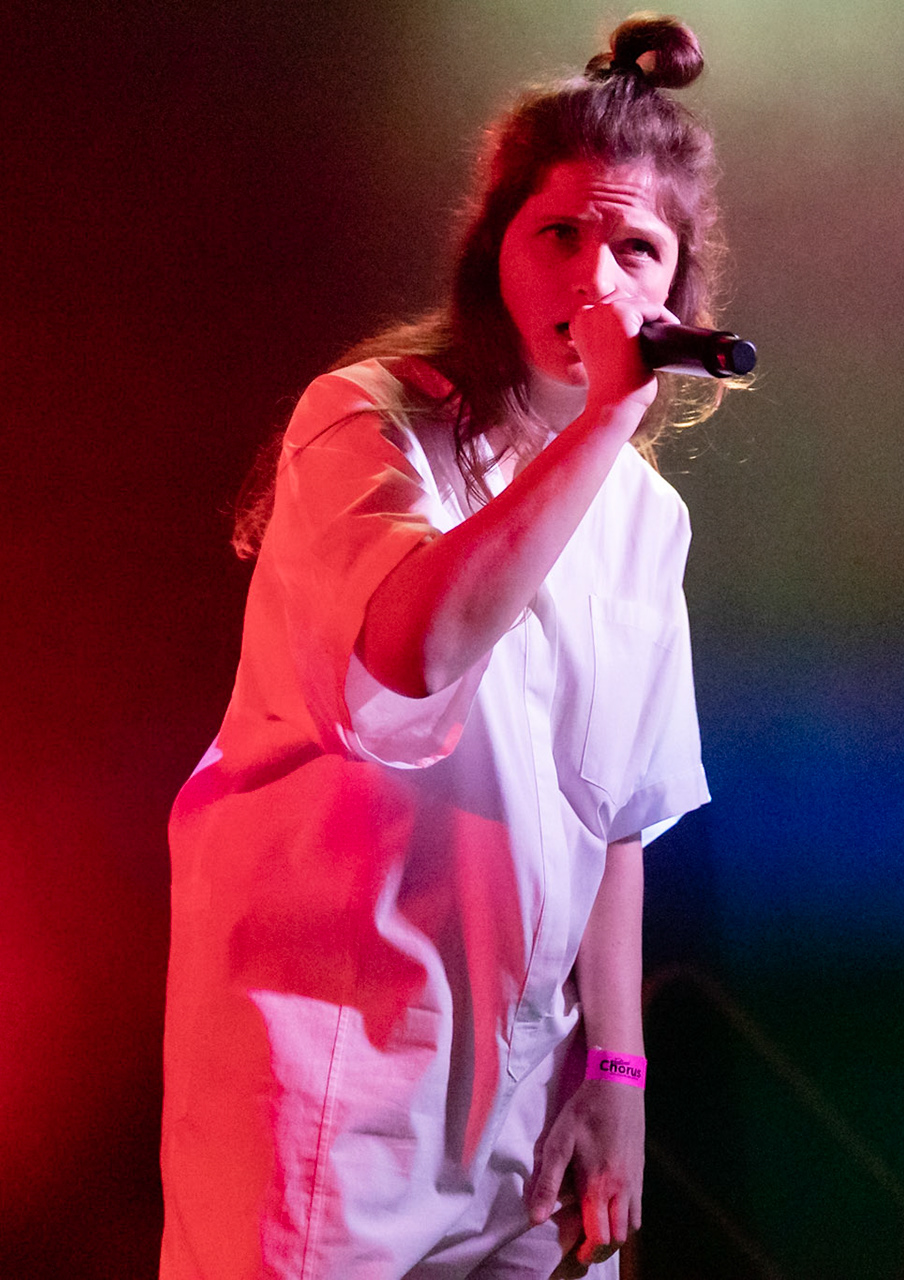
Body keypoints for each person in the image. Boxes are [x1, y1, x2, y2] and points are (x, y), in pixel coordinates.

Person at [159, 15, 730, 1278]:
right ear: (493, 254)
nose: (597, 276)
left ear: (676, 296)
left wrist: (618, 1066)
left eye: (637, 246)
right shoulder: (363, 427)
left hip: (524, 1102)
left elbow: (616, 810)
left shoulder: (647, 517)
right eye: (559, 234)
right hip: (330, 1087)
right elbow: (408, 667)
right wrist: (601, 425)